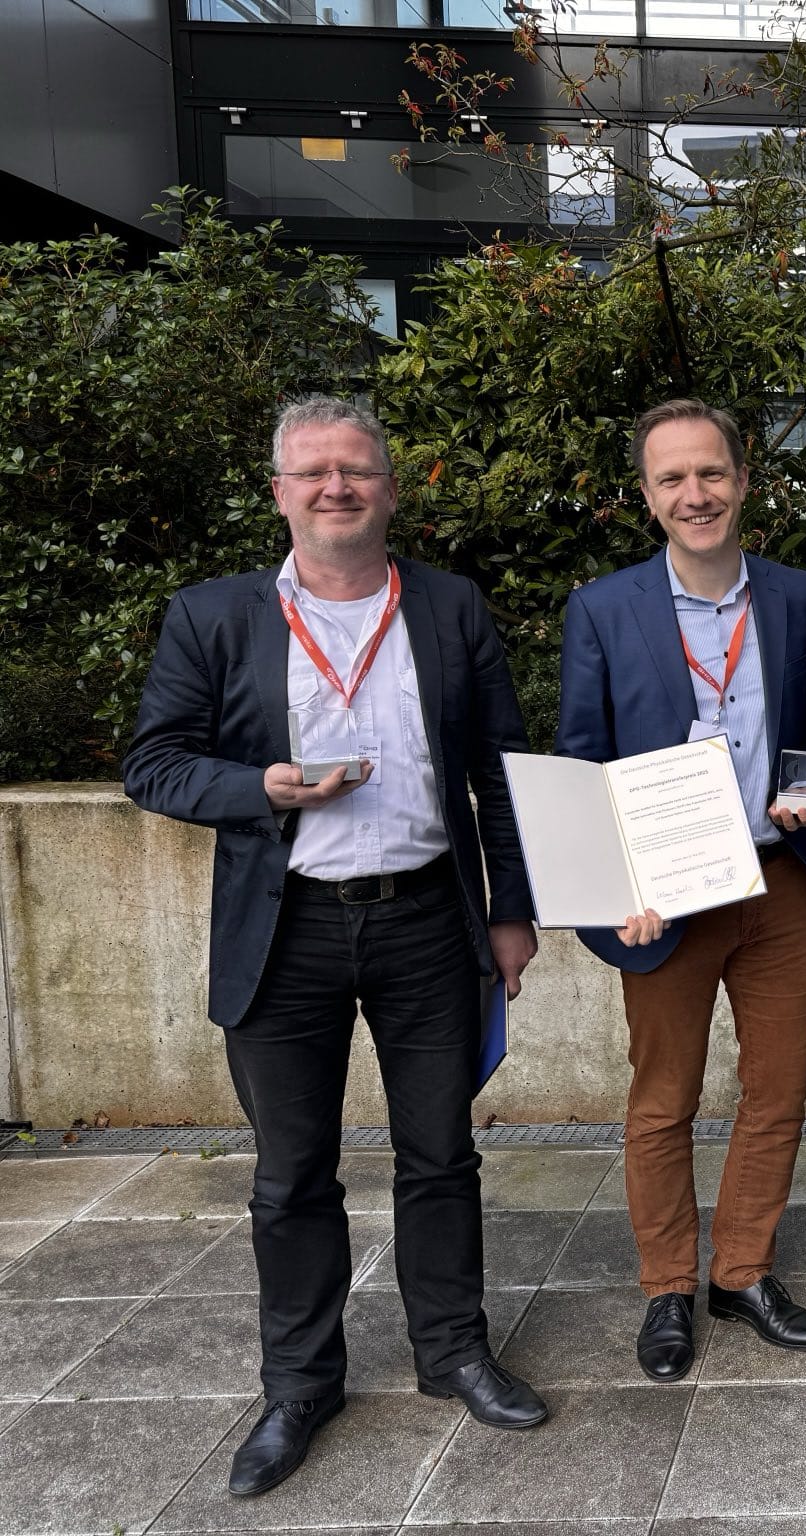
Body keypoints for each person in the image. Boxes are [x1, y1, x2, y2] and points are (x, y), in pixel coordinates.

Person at [124, 396, 547, 1498]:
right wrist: (258, 787)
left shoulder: (449, 608)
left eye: (356, 470)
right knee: (290, 1176)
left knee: (440, 1155)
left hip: (426, 921)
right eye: (311, 472)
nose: (335, 488)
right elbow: (155, 764)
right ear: (278, 491)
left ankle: (451, 1350)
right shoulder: (214, 617)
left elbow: (498, 771)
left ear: (390, 489)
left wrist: (513, 908)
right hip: (287, 930)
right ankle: (299, 1385)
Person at [556, 399, 806, 1380]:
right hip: (665, 897)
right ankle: (665, 1290)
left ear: (742, 476)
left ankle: (742, 1272)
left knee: (775, 1093)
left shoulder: (797, 596)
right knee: (662, 1102)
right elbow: (580, 763)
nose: (696, 494)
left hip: (776, 883)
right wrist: (613, 886)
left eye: (711, 473)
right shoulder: (603, 609)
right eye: (673, 479)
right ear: (646, 498)